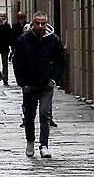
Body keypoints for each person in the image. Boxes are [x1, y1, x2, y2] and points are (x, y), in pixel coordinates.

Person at [11, 11, 65, 159]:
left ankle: (44, 145)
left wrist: (54, 79)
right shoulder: (24, 40)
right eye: (37, 23)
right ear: (33, 23)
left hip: (46, 84)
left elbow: (61, 61)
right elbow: (17, 62)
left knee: (44, 113)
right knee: (29, 115)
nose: (40, 26)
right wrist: (22, 83)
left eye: (43, 23)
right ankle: (30, 141)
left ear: (46, 24)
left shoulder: (54, 40)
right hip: (29, 84)